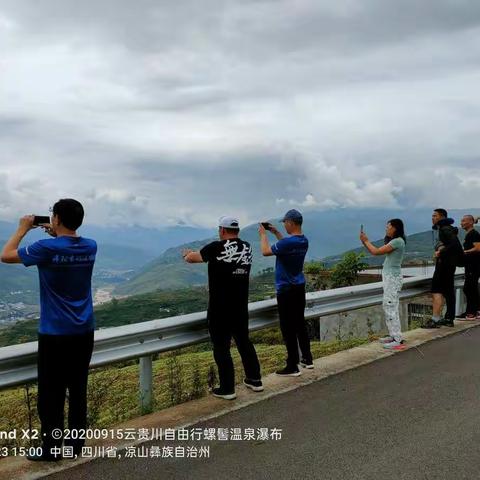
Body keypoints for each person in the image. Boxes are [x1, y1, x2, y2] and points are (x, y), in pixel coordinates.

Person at [0, 199, 97, 461]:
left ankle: (51, 448)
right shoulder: (91, 246)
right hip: (84, 330)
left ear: (55, 219)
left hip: (55, 333)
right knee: (77, 389)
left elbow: (6, 255)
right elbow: (68, 245)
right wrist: (57, 230)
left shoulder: (46, 247)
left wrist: (23, 228)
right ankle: (75, 445)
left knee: (51, 394)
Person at [183, 216, 262, 400]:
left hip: (220, 308)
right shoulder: (247, 247)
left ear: (222, 230)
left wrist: (186, 254)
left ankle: (227, 388)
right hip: (241, 306)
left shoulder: (215, 247)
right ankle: (255, 379)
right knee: (244, 342)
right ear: (237, 231)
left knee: (221, 347)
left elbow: (193, 258)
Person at [259, 209, 312, 376]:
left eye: (285, 222)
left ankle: (292, 365)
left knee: (287, 327)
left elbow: (265, 251)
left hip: (285, 289)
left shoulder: (288, 243)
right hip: (298, 287)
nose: (284, 225)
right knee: (299, 323)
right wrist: (276, 232)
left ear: (291, 222)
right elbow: (285, 246)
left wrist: (263, 234)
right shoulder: (303, 241)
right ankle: (307, 359)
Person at [360, 219, 407, 350]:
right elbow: (375, 251)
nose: (386, 229)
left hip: (393, 278)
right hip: (390, 278)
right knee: (388, 305)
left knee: (391, 306)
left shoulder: (397, 241)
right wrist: (365, 242)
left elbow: (375, 251)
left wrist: (365, 241)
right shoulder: (396, 241)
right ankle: (393, 335)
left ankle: (397, 338)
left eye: (388, 227)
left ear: (395, 228)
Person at [422, 208, 463, 328]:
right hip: (450, 265)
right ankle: (449, 318)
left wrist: (441, 252)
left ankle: (435, 319)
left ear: (442, 217)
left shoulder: (444, 229)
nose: (432, 218)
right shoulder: (447, 228)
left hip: (444, 265)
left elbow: (455, 245)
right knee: (449, 291)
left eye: (435, 216)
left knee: (436, 290)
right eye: (432, 215)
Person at [460, 215, 480, 319]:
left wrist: (464, 252)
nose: (461, 223)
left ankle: (471, 312)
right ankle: (476, 311)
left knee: (469, 288)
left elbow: (478, 248)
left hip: (474, 265)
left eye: (464, 221)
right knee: (472, 288)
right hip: (471, 265)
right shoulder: (470, 234)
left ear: (471, 222)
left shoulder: (473, 234)